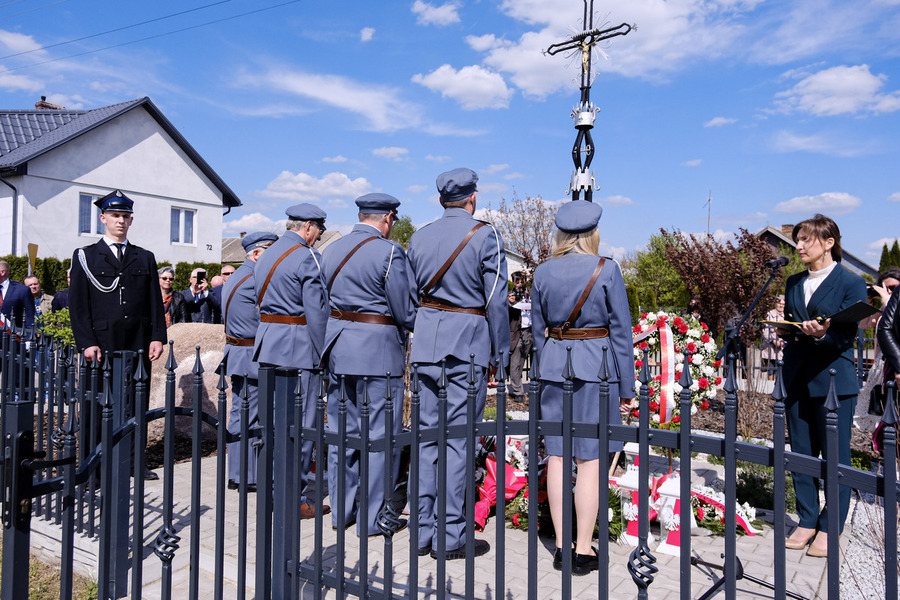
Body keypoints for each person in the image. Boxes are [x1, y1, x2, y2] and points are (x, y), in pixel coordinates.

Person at [407, 167, 509, 560]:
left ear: (440, 200)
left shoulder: (419, 236)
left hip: (426, 346)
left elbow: (409, 294)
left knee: (425, 439)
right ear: (473, 198)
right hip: (466, 347)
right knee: (458, 441)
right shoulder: (486, 235)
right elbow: (496, 300)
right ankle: (449, 534)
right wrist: (500, 353)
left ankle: (420, 530)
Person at [531, 200, 634, 576]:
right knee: (590, 460)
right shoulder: (607, 269)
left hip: (554, 367)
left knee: (558, 457)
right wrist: (627, 386)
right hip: (596, 369)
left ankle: (561, 547)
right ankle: (584, 549)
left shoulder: (542, 272)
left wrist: (544, 369)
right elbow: (621, 332)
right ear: (593, 233)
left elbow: (537, 331)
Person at [321, 193, 417, 536]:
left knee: (341, 433)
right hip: (378, 352)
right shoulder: (389, 252)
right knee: (381, 436)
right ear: (388, 218)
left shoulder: (331, 249)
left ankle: (341, 511)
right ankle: (372, 519)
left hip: (338, 348)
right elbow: (405, 309)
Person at [778, 214, 866, 558]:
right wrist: (785, 330)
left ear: (829, 243)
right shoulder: (794, 282)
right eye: (797, 240)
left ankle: (831, 526)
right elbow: (792, 324)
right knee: (801, 454)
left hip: (833, 381)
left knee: (835, 458)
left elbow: (844, 336)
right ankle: (806, 520)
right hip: (796, 376)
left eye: (806, 240)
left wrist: (822, 335)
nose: (799, 246)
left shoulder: (851, 283)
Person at [69, 189, 167, 480]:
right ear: (103, 218)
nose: (121, 221)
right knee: (97, 404)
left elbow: (154, 300)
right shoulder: (86, 256)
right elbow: (79, 305)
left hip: (137, 342)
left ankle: (134, 461)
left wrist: (157, 336)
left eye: (125, 216)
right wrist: (87, 342)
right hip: (101, 343)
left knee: (136, 402)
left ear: (131, 220)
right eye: (115, 215)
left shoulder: (144, 257)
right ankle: (94, 467)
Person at [252, 203, 330, 519]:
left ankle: (270, 490)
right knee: (302, 426)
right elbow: (317, 314)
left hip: (268, 344)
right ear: (308, 226)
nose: (319, 237)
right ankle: (291, 498)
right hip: (298, 349)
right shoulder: (307, 257)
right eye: (319, 230)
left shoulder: (266, 254)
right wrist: (325, 354)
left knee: (273, 425)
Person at [222, 232, 278, 493]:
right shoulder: (255, 279)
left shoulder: (237, 276)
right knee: (251, 416)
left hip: (238, 353)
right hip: (251, 356)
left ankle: (238, 473)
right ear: (256, 254)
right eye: (270, 251)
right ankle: (247, 476)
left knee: (240, 414)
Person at [855, 268, 900, 430]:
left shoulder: (891, 306)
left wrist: (887, 299)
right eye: (884, 288)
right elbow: (863, 324)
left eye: (893, 288)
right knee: (881, 411)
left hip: (895, 363)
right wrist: (868, 300)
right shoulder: (882, 309)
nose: (889, 292)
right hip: (881, 365)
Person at [508, 271, 532, 403]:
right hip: (517, 332)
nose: (520, 284)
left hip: (532, 331)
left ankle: (537, 387)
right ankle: (518, 392)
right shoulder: (510, 295)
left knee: (536, 361)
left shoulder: (532, 293)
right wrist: (509, 302)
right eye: (517, 282)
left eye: (522, 281)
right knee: (515, 364)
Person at [0, 260, 36, 332]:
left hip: (13, 336)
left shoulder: (22, 290)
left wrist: (29, 337)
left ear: (2, 272)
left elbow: (29, 317)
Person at [761, 295, 786, 380]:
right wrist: (773, 341)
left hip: (782, 347)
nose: (781, 306)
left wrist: (782, 342)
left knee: (780, 369)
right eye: (779, 303)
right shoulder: (769, 315)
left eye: (783, 304)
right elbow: (765, 330)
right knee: (771, 368)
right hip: (770, 347)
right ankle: (771, 383)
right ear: (776, 304)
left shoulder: (786, 315)